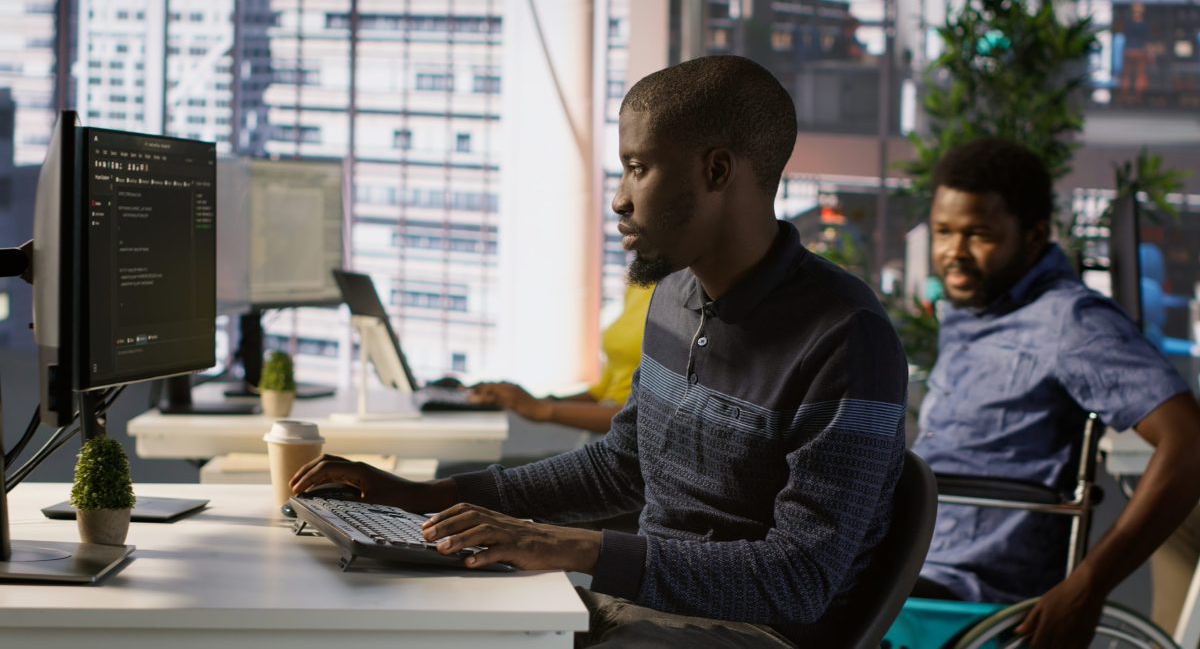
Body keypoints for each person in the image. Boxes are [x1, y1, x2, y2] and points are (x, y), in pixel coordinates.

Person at [291, 54, 908, 647]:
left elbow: (797, 581)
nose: (620, 198)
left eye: (638, 168)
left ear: (717, 171)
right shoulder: (673, 298)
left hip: (754, 634)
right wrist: (424, 495)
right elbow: (623, 466)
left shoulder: (847, 337)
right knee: (397, 621)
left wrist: (566, 546)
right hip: (643, 610)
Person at [910, 137, 1200, 648]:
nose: (953, 252)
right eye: (943, 232)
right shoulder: (975, 307)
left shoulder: (1071, 322)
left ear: (1034, 235)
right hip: (913, 553)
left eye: (978, 234)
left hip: (969, 585)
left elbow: (1190, 443)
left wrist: (1087, 585)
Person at [468, 283, 654, 434]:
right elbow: (601, 392)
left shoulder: (676, 293)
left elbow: (650, 419)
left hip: (637, 453)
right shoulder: (642, 279)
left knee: (469, 476)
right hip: (607, 441)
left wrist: (543, 409)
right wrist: (520, 398)